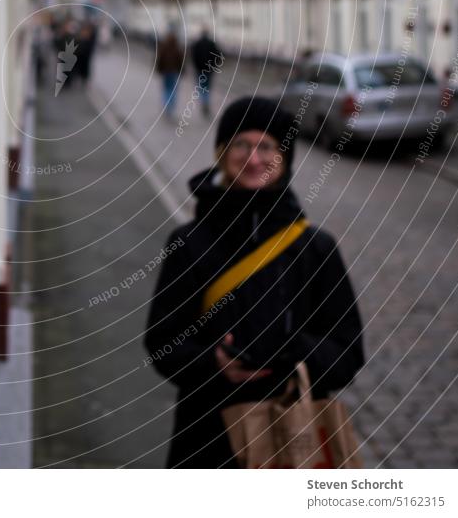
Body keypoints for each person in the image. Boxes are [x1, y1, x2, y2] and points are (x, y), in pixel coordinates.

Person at [144, 95, 365, 468]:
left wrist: (292, 348)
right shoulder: (188, 243)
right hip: (206, 437)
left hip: (293, 437)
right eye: (240, 145)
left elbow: (348, 354)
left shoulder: (315, 249)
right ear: (221, 153)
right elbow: (161, 343)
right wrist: (213, 363)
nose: (253, 158)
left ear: (285, 159)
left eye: (266, 147)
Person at [190, 27, 223, 117]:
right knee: (207, 88)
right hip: (209, 70)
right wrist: (214, 66)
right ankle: (206, 102)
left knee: (202, 87)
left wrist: (196, 66)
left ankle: (204, 102)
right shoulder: (212, 44)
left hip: (199, 70)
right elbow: (218, 56)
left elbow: (193, 56)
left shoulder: (197, 44)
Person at [155, 30, 185, 119]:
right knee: (173, 90)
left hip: (165, 72)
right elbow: (181, 61)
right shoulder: (177, 49)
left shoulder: (163, 48)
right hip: (174, 72)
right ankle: (170, 105)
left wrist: (159, 69)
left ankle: (166, 105)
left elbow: (159, 60)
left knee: (166, 89)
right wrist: (182, 71)